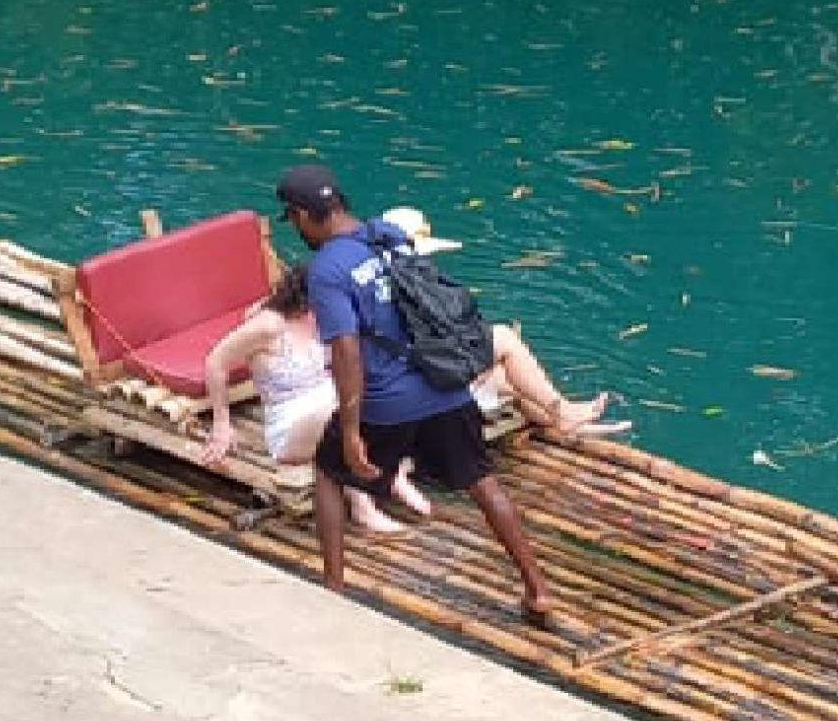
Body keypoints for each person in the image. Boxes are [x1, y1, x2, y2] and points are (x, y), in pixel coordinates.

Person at [277, 162, 556, 624]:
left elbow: (347, 353)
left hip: (386, 401)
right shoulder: (388, 236)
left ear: (304, 214)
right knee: (481, 480)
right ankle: (537, 589)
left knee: (329, 471)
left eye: (294, 219)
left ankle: (333, 587)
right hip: (444, 384)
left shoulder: (327, 270)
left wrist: (350, 430)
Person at [196, 264, 436, 535]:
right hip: (292, 424)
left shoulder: (326, 319)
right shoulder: (267, 326)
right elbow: (215, 362)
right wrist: (221, 424)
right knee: (343, 410)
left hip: (330, 400)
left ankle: (394, 473)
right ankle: (363, 506)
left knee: (387, 391)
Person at [372, 207, 626, 440]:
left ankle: (562, 419)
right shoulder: (408, 286)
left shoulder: (377, 284)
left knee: (507, 377)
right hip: (410, 388)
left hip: (396, 379)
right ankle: (563, 413)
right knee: (503, 341)